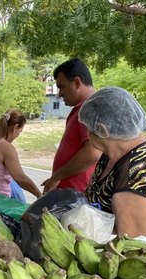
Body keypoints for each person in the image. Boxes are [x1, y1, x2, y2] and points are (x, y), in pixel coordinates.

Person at [80, 86, 146, 250]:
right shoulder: (111, 154)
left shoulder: (140, 170)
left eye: (89, 128)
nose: (87, 134)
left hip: (136, 266)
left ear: (103, 130)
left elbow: (130, 243)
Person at [41, 58, 101, 194]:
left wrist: (56, 177)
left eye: (61, 87)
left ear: (77, 83)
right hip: (69, 192)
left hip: (77, 195)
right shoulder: (81, 107)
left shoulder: (91, 107)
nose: (59, 93)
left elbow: (92, 153)